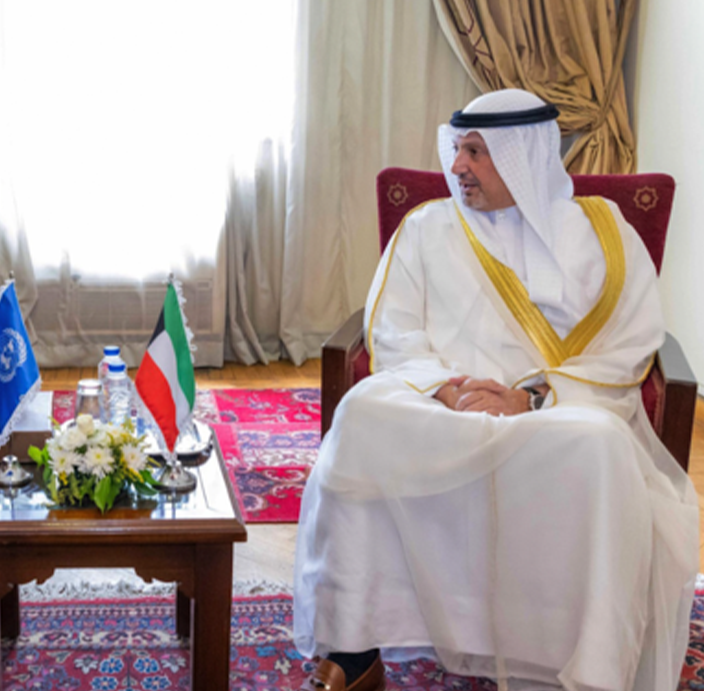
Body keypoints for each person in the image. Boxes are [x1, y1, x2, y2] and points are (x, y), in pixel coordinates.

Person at [293, 89, 698, 691]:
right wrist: (447, 392)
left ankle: (589, 666)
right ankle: (355, 649)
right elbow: (394, 330)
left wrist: (530, 397)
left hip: (557, 414)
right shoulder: (426, 226)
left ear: (522, 157)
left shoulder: (605, 235)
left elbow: (631, 343)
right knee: (363, 414)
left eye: (476, 153)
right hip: (446, 406)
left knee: (601, 446)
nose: (457, 167)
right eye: (457, 149)